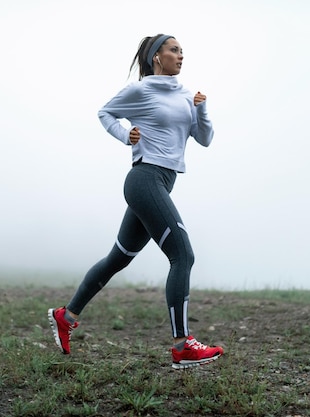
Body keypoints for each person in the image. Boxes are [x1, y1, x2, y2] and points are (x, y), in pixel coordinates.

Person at [48, 34, 224, 369]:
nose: (181, 56)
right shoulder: (141, 91)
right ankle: (182, 346)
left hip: (160, 184)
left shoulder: (187, 96)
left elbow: (205, 139)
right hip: (144, 180)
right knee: (183, 255)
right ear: (157, 56)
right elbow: (105, 112)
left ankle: (66, 315)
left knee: (118, 258)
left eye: (182, 51)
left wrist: (202, 109)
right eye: (174, 50)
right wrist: (124, 135)